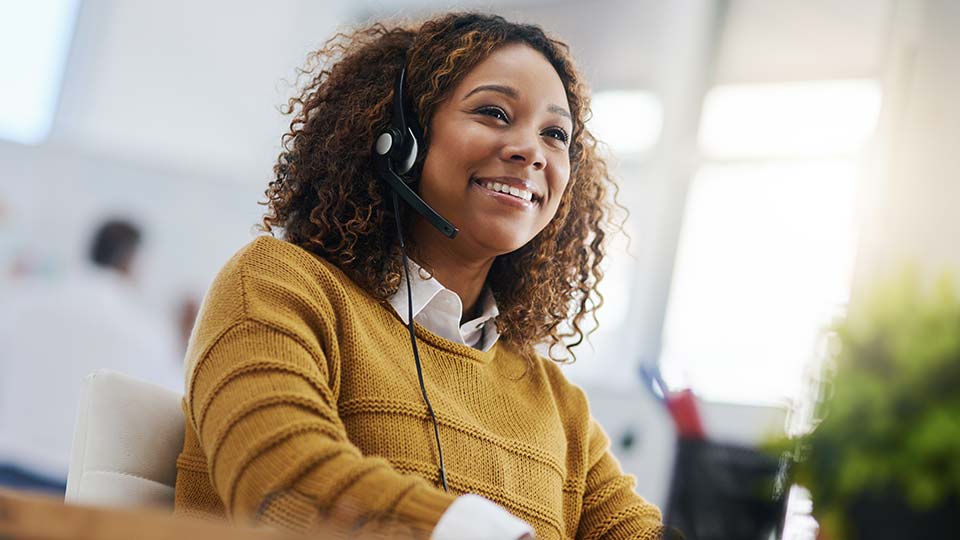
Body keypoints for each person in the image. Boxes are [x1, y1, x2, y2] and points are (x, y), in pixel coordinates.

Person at [173, 13, 665, 540]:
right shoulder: (280, 285)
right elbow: (281, 480)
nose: (530, 151)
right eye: (494, 112)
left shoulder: (557, 403)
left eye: (555, 134)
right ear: (398, 138)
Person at [0, 219, 183, 493]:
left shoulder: (26, 300)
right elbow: (168, 407)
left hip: (8, 462)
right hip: (73, 485)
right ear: (131, 261)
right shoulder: (146, 330)